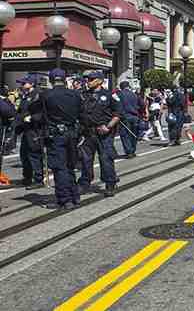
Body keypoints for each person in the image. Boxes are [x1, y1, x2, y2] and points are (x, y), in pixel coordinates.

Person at [79, 71, 123, 197]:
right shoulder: (84, 95)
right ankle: (85, 182)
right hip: (88, 132)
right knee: (86, 159)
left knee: (106, 159)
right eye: (88, 79)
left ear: (99, 81)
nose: (88, 81)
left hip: (104, 133)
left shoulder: (110, 95)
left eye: (91, 79)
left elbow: (118, 114)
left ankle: (110, 183)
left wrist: (108, 126)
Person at [43, 69, 82, 210]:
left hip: (56, 135)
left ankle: (64, 199)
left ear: (51, 80)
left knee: (60, 168)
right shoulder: (75, 95)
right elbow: (81, 114)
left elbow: (41, 114)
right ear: (65, 80)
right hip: (72, 133)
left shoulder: (47, 95)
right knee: (70, 166)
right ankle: (75, 196)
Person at [15, 74, 45, 189]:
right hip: (26, 129)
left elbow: (43, 113)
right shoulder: (24, 96)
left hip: (35, 129)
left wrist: (32, 118)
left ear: (32, 84)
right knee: (24, 154)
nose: (22, 85)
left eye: (24, 83)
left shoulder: (38, 96)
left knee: (34, 154)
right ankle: (27, 177)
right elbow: (21, 112)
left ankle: (38, 179)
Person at [117, 81, 139, 158]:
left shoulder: (119, 94)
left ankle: (129, 151)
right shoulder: (134, 94)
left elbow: (117, 106)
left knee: (125, 135)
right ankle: (133, 150)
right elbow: (141, 104)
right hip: (135, 116)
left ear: (121, 87)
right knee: (133, 134)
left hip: (125, 117)